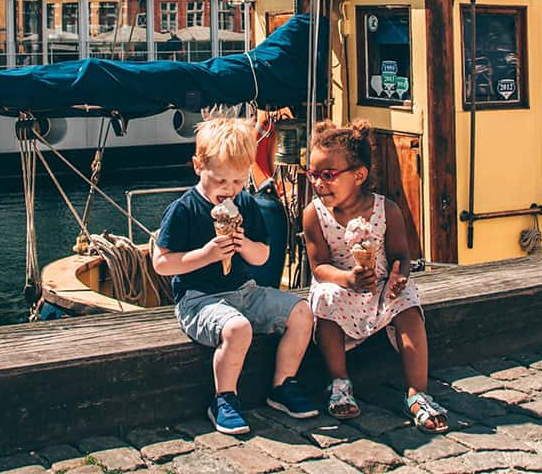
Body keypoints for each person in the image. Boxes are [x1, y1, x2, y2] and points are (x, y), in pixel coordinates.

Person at [152, 115, 318, 435]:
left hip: (245, 291)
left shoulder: (246, 203)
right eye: (221, 181)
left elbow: (263, 256)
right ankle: (224, 398)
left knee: (302, 311)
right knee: (238, 328)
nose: (229, 191)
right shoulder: (184, 209)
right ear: (198, 166)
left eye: (238, 181)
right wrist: (208, 254)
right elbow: (162, 263)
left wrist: (243, 245)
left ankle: (282, 385)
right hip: (198, 299)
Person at [302, 119, 448, 433]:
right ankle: (340, 382)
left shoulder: (387, 210)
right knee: (325, 299)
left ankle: (417, 392)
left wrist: (399, 277)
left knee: (408, 305)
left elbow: (401, 256)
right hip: (340, 284)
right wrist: (347, 279)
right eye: (312, 175)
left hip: (380, 288)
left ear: (359, 175)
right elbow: (318, 267)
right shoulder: (314, 214)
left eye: (328, 175)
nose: (318, 183)